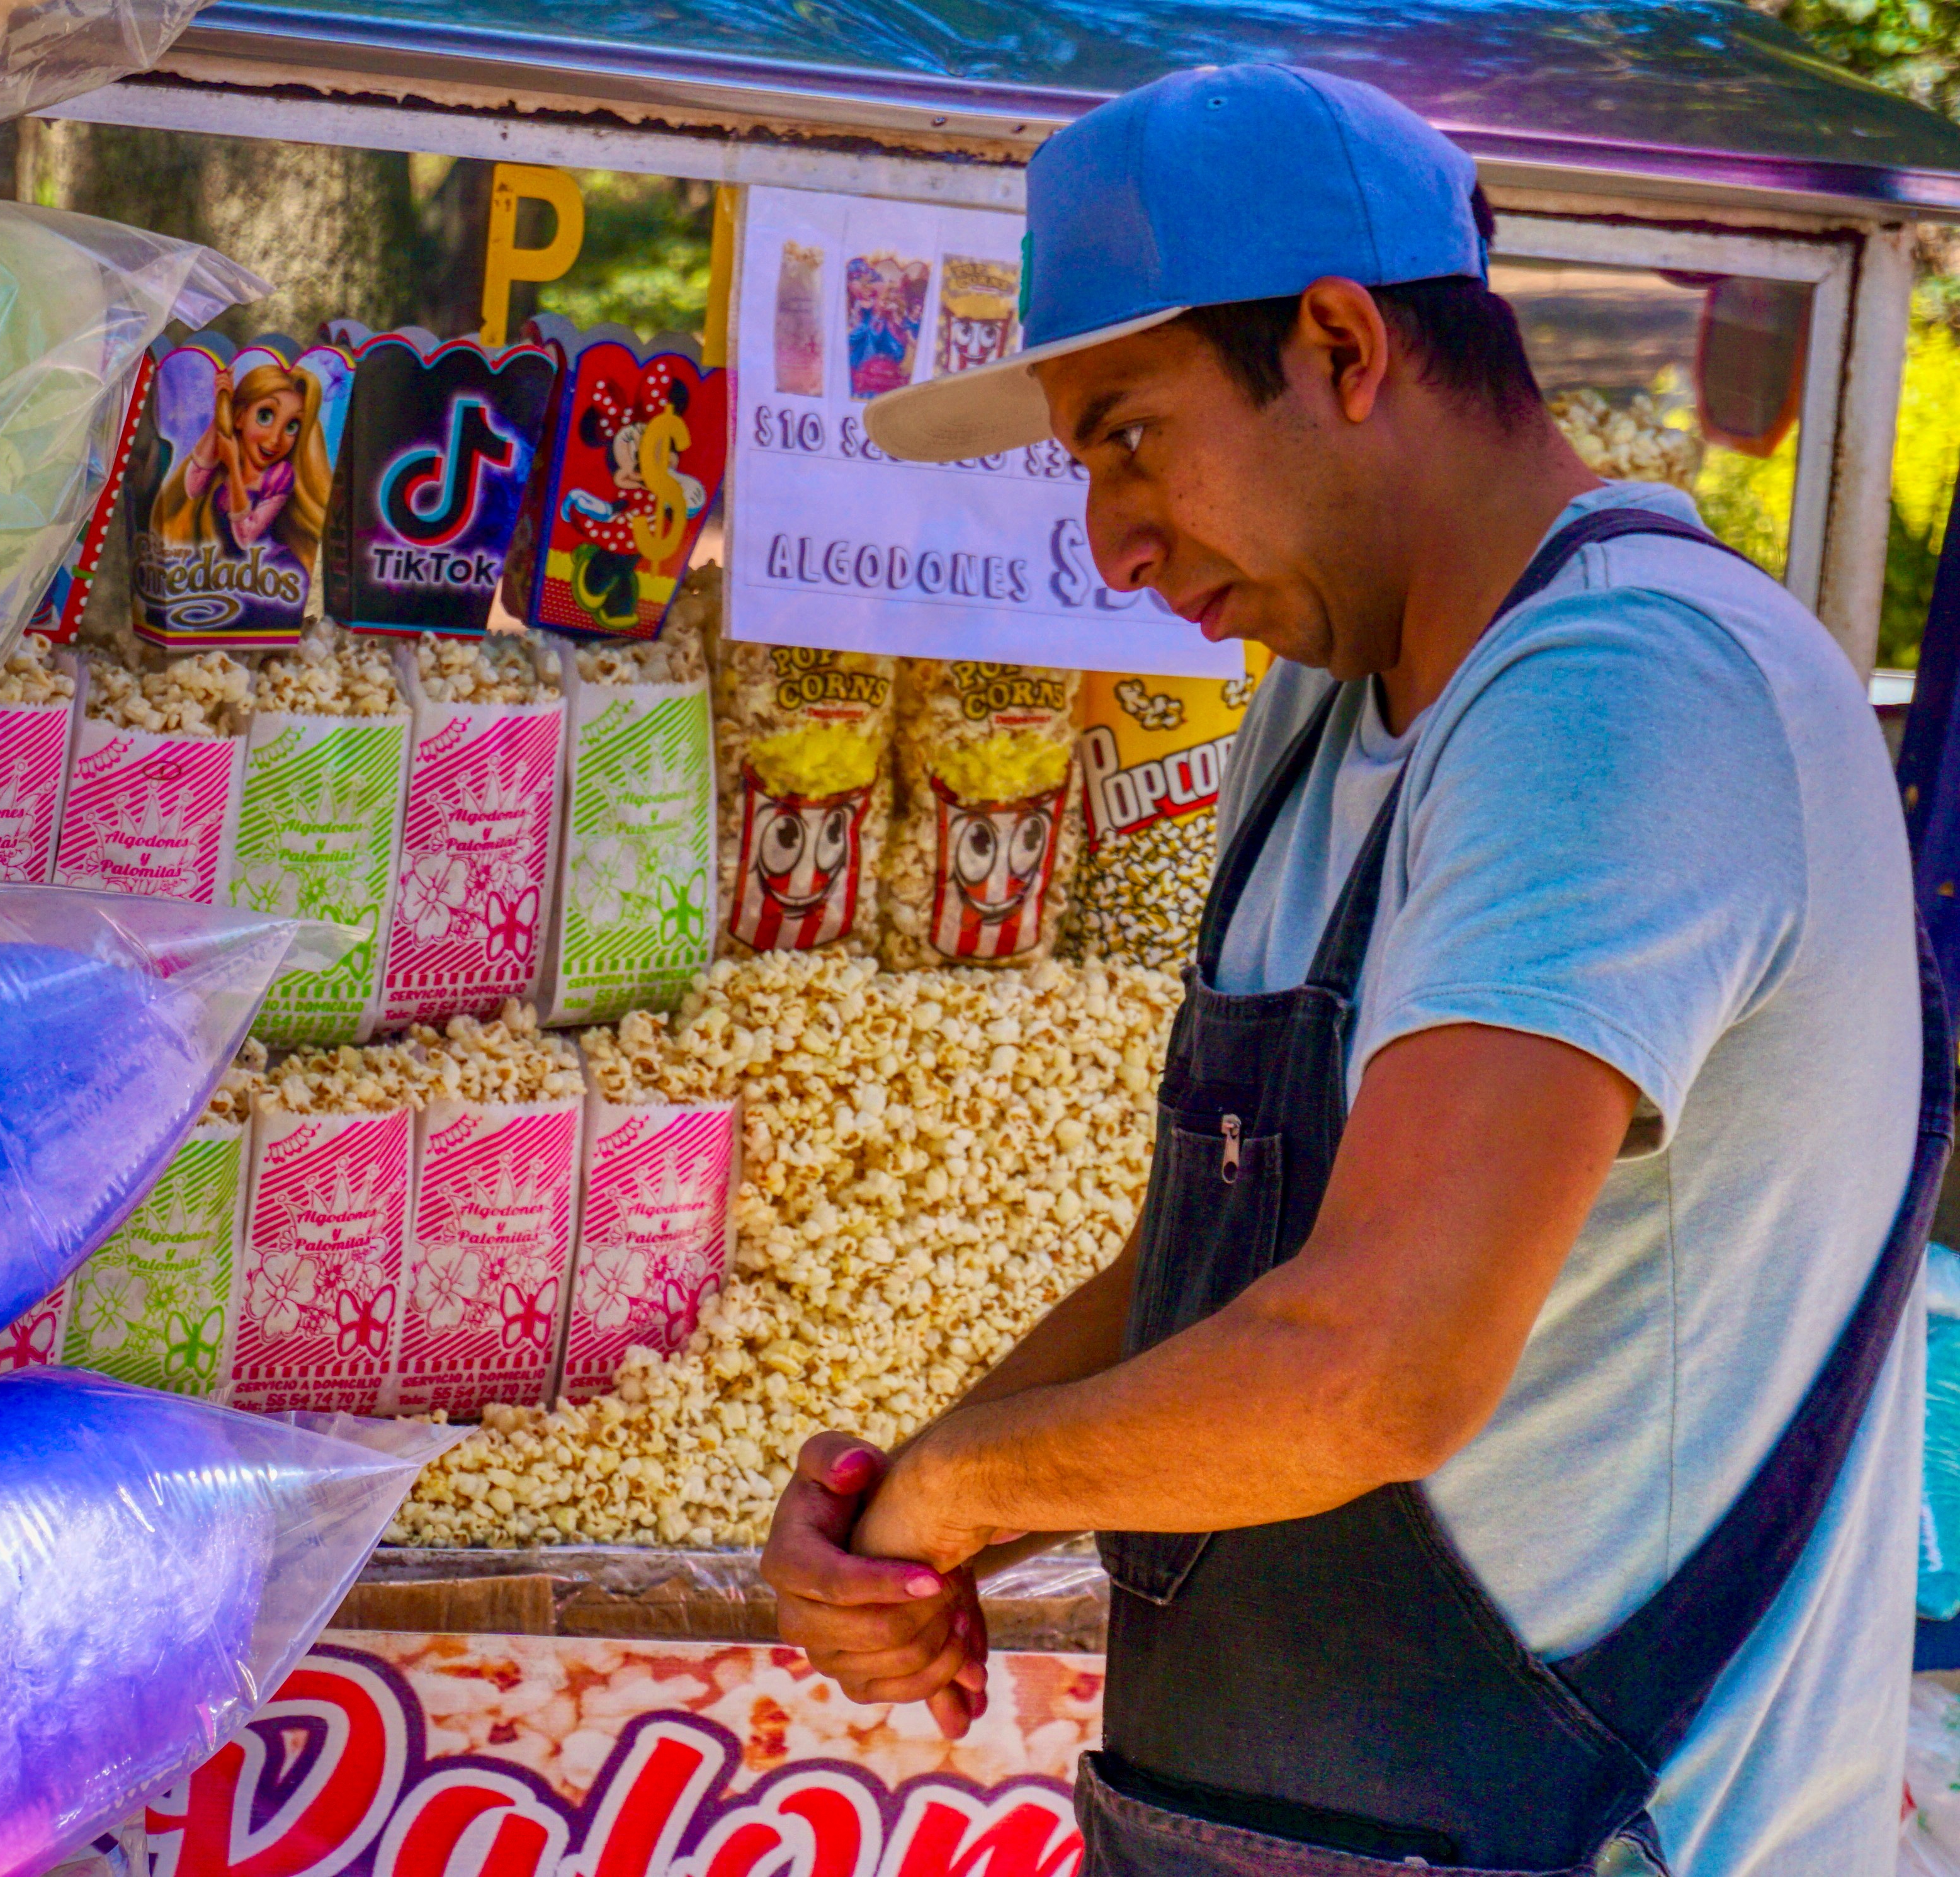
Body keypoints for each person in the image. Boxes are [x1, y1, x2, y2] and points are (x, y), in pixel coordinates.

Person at [768, 62, 1947, 1877]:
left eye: (1130, 436)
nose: (1111, 540)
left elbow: (1371, 1365)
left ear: (1339, 344)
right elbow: (1239, 1266)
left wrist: (967, 1483)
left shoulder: (1630, 687)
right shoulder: (1326, 708)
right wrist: (912, 1512)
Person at [150, 356, 335, 567]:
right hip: (228, 570)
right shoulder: (227, 462)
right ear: (240, 418)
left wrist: (233, 468)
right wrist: (223, 409)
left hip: (271, 569)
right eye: (265, 416)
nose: (275, 439)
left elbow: (246, 537)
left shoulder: (280, 475)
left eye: (291, 427)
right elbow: (193, 487)